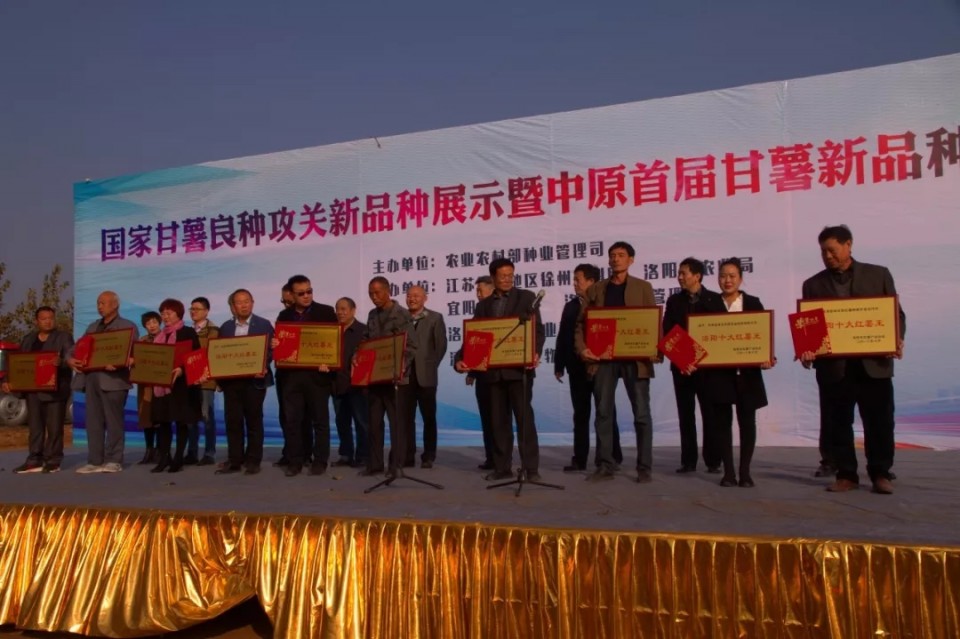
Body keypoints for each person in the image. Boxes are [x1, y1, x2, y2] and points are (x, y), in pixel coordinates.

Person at [800, 225, 905, 495]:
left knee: (880, 422)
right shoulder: (813, 284)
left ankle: (880, 473)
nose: (827, 256)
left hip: (874, 365)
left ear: (849, 245)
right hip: (835, 368)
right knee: (837, 423)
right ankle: (846, 474)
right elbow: (808, 328)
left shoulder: (878, 274)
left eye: (832, 250)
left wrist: (896, 339)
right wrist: (807, 351)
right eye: (823, 252)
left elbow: (896, 315)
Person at [455, 258, 544, 481]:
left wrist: (535, 352)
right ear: (493, 277)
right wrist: (459, 359)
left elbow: (538, 331)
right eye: (503, 276)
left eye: (510, 275)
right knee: (498, 423)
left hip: (519, 371)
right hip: (493, 374)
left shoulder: (526, 298)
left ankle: (531, 469)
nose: (507, 279)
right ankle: (502, 467)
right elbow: (474, 337)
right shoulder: (483, 306)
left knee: (524, 420)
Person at [575, 242, 657, 483]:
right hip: (604, 359)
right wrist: (582, 349)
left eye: (621, 255)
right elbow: (581, 324)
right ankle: (605, 465)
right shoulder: (597, 289)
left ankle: (644, 467)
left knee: (641, 414)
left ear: (631, 260)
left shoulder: (643, 287)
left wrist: (654, 349)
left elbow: (652, 321)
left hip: (635, 358)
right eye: (612, 255)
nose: (615, 259)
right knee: (603, 412)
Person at [703, 258, 774, 487]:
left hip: (747, 374)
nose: (727, 280)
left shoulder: (753, 303)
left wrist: (767, 356)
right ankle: (728, 473)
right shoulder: (709, 304)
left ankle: (745, 472)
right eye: (723, 276)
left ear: (741, 279)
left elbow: (762, 336)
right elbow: (700, 338)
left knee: (747, 422)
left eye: (732, 276)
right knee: (722, 424)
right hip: (719, 374)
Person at [555, 263, 622, 472]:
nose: (575, 284)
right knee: (580, 414)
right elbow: (563, 336)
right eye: (574, 280)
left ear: (592, 282)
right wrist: (559, 364)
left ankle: (612, 456)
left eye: (578, 280)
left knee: (606, 413)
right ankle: (580, 459)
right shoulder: (571, 306)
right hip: (576, 367)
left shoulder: (603, 303)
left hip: (602, 367)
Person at [663, 257, 725, 474]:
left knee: (710, 414)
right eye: (679, 273)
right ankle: (688, 461)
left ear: (697, 276)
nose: (679, 277)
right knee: (685, 415)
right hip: (682, 367)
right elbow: (668, 332)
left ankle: (713, 461)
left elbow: (720, 332)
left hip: (708, 369)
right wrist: (683, 359)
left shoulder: (714, 300)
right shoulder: (674, 301)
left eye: (684, 273)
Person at [68, 291, 139, 474]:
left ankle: (114, 459)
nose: (100, 306)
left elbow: (136, 354)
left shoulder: (127, 326)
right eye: (98, 303)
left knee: (114, 422)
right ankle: (94, 460)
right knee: (93, 422)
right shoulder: (93, 327)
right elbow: (75, 349)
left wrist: (121, 361)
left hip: (114, 381)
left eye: (103, 303)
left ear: (115, 305)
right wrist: (70, 359)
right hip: (91, 380)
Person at [273, 275, 337, 477]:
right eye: (301, 293)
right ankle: (295, 461)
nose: (306, 296)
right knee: (293, 421)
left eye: (309, 291)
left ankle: (320, 460)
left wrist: (330, 362)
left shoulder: (326, 312)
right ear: (291, 295)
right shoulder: (284, 316)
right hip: (291, 377)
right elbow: (282, 345)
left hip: (318, 376)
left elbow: (334, 343)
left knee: (320, 421)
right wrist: (276, 345)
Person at [3, 306, 73, 473]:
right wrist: (8, 381)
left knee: (54, 429)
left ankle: (53, 460)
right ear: (37, 321)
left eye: (51, 318)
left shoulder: (63, 337)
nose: (48, 321)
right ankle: (34, 459)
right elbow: (17, 363)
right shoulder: (28, 339)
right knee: (35, 428)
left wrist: (62, 362)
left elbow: (71, 357)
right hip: (33, 391)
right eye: (44, 319)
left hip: (55, 391)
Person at [360, 276, 417, 478]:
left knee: (397, 425)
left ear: (387, 291)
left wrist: (400, 368)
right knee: (374, 423)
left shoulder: (402, 314)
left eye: (377, 293)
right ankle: (375, 465)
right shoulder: (372, 315)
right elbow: (366, 341)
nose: (374, 297)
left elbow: (411, 347)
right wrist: (360, 357)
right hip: (376, 378)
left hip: (396, 379)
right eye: (370, 294)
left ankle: (395, 465)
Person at [215, 288, 274, 475]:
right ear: (233, 306)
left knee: (254, 420)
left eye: (247, 301)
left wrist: (263, 365)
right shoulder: (225, 328)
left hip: (255, 381)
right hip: (232, 382)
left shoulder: (264, 325)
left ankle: (253, 460)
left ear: (252, 303)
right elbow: (219, 354)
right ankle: (235, 460)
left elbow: (270, 350)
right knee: (233, 421)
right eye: (239, 302)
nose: (244, 305)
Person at [148, 298, 202, 473]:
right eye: (163, 313)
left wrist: (182, 369)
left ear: (178, 314)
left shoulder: (188, 332)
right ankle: (164, 458)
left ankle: (178, 458)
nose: (165, 316)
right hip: (161, 386)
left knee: (181, 423)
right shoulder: (159, 336)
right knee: (163, 422)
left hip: (181, 387)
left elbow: (196, 357)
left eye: (169, 313)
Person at [402, 285, 447, 468]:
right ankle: (407, 455)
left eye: (416, 296)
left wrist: (429, 366)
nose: (412, 299)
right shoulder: (400, 318)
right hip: (405, 375)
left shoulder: (435, 318)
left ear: (425, 298)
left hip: (426, 376)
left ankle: (429, 455)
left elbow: (440, 346)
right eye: (409, 295)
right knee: (406, 418)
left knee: (429, 417)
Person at [331, 297, 369, 468]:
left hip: (358, 385)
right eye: (338, 309)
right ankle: (346, 454)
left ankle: (363, 455)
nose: (340, 312)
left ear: (353, 310)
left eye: (344, 309)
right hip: (337, 384)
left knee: (362, 422)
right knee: (342, 422)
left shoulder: (364, 331)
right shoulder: (331, 331)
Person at [468, 275, 497, 470]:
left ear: (492, 290)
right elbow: (474, 342)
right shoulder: (479, 311)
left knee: (499, 420)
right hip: (482, 375)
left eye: (480, 290)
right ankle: (491, 458)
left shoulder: (502, 311)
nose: (478, 294)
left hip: (500, 374)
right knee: (486, 419)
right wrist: (471, 371)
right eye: (476, 291)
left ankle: (501, 459)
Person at [187, 296, 219, 466]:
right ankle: (192, 452)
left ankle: (209, 453)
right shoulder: (187, 331)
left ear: (206, 311)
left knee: (207, 417)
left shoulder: (214, 331)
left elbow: (215, 355)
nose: (193, 312)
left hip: (206, 380)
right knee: (190, 418)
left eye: (197, 309)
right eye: (191, 309)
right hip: (189, 380)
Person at [135, 311, 162, 465]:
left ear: (159, 322)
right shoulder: (142, 341)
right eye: (148, 323)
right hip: (145, 385)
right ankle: (149, 450)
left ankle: (160, 450)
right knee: (146, 417)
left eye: (154, 322)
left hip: (161, 385)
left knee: (160, 418)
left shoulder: (166, 338)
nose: (151, 326)